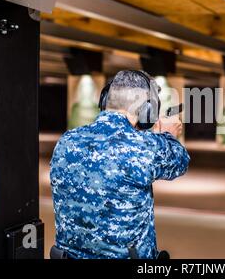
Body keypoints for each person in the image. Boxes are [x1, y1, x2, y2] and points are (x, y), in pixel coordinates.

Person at [50, 70, 190, 259]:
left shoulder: (66, 141)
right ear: (147, 109)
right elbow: (180, 161)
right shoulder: (145, 147)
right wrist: (168, 135)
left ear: (105, 99)